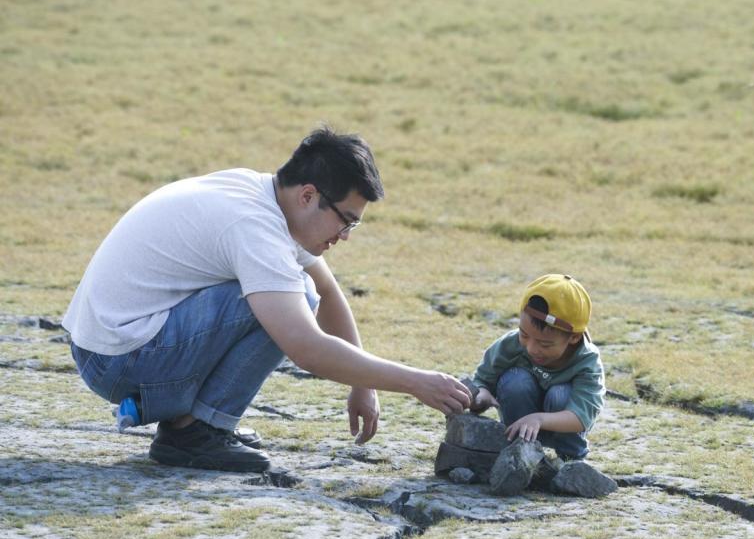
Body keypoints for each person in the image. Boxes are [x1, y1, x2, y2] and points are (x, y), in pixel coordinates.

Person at [63, 127, 471, 472]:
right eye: (346, 220)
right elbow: (305, 346)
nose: (345, 235)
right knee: (291, 298)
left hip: (109, 345)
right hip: (118, 360)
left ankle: (197, 422)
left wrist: (363, 385)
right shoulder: (255, 227)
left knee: (299, 289)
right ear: (309, 196)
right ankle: (193, 434)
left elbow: (330, 292)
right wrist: (417, 382)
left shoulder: (261, 194)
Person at [468, 274, 605, 460]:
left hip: (561, 423)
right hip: (522, 422)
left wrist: (538, 419)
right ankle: (518, 452)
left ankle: (570, 460)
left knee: (560, 394)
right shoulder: (510, 345)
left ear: (574, 337)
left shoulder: (587, 361)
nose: (531, 348)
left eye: (545, 344)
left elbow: (580, 417)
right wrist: (481, 395)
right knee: (515, 380)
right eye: (524, 335)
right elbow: (483, 380)